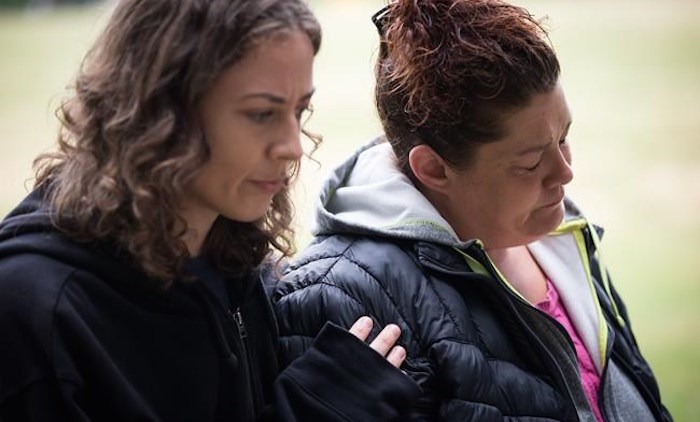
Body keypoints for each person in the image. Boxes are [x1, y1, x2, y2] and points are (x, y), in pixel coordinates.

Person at [0, 0, 421, 420]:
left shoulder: (229, 259)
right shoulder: (36, 314)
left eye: (299, 110)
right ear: (163, 109)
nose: (293, 145)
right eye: (261, 113)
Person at [274, 0, 672, 420]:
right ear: (433, 169)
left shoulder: (558, 237)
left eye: (564, 138)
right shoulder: (345, 298)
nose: (565, 173)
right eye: (531, 163)